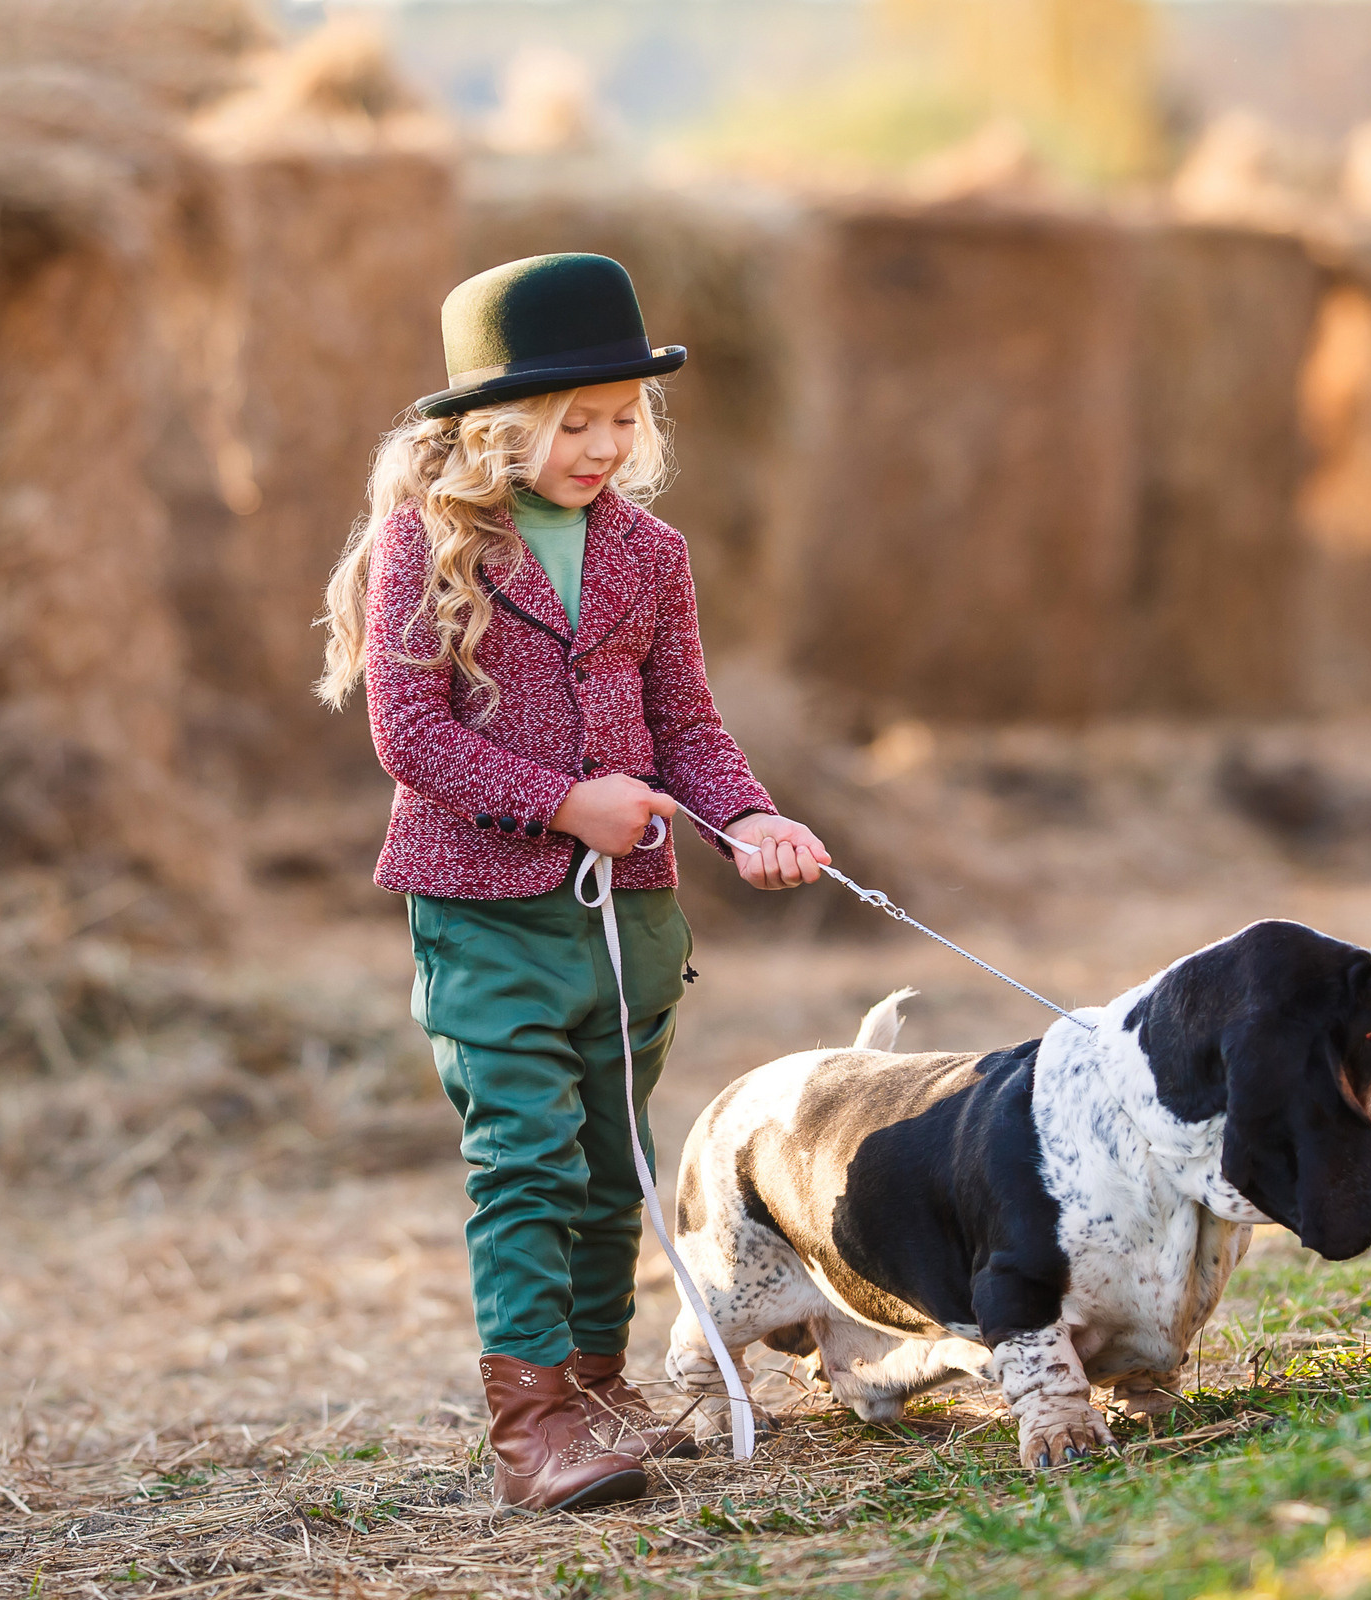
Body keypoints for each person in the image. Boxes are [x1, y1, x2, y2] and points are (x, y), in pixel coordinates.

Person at [316, 253, 831, 1512]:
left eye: (622, 419)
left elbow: (690, 727)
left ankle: (602, 1387)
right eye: (574, 423)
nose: (605, 445)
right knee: (528, 1157)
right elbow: (410, 735)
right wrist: (561, 801)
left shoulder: (650, 555)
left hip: (632, 916)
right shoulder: (423, 547)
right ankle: (533, 1424)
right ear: (495, 430)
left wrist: (750, 817)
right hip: (485, 911)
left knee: (615, 1162)